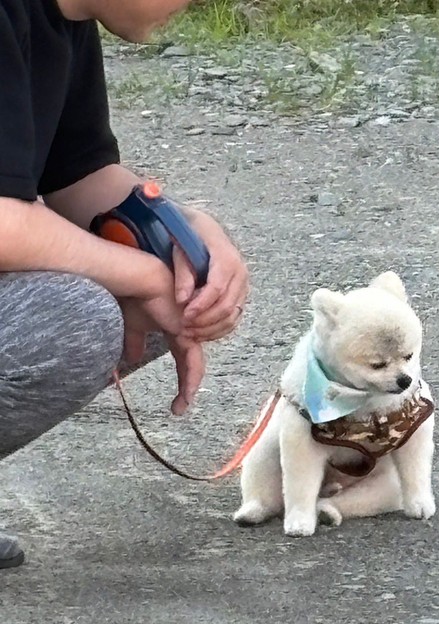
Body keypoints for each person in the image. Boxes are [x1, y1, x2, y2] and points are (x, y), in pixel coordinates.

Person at [0, 0, 250, 569]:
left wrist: (185, 239)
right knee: (83, 313)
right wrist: (144, 274)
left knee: (168, 282)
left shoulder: (63, 19)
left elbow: (80, 178)